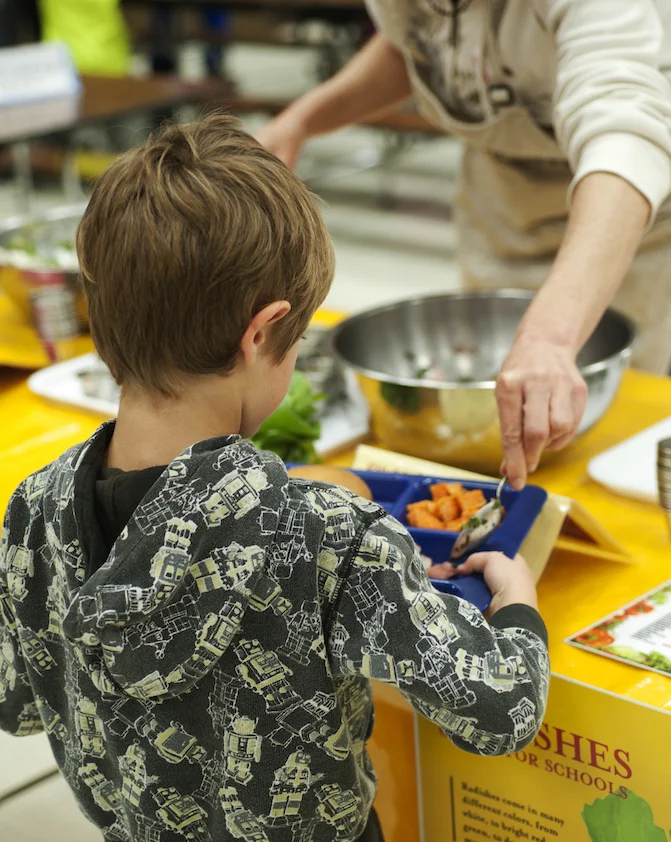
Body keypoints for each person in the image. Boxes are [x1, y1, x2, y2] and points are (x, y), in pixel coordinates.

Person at [0, 114, 549, 842]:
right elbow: (500, 710)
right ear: (261, 332)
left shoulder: (32, 512)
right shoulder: (328, 534)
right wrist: (516, 606)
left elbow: (19, 705)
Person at [257, 0, 671, 490]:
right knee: (503, 404)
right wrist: (302, 121)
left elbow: (626, 133)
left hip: (619, 207)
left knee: (602, 439)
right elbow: (415, 49)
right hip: (500, 195)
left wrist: (550, 339)